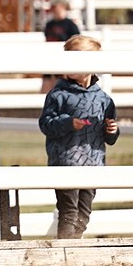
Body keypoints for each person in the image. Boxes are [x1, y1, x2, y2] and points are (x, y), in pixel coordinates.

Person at [38, 34, 120, 239]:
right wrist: (68, 123)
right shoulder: (58, 95)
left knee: (84, 212)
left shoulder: (103, 99)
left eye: (74, 58)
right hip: (65, 160)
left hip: (93, 162)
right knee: (68, 211)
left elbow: (109, 136)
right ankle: (66, 248)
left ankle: (73, 247)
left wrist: (112, 131)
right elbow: (46, 124)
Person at [42, 0, 81, 92]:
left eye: (55, 6)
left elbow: (77, 44)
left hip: (65, 61)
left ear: (62, 6)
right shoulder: (49, 25)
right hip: (50, 60)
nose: (53, 8)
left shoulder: (71, 25)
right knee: (46, 87)